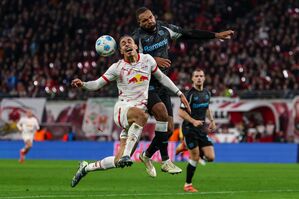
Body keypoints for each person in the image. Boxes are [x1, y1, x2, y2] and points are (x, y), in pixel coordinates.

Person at [70, 35, 190, 187]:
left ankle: (86, 168)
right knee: (143, 115)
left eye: (129, 42)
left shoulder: (147, 60)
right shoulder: (117, 67)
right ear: (120, 50)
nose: (127, 44)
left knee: (118, 161)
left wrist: (179, 93)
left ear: (135, 46)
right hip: (123, 110)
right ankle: (135, 156)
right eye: (123, 44)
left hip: (136, 119)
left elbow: (162, 78)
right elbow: (98, 84)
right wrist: (83, 84)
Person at [132, 7, 234, 176]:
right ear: (139, 23)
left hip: (162, 84)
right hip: (145, 86)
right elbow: (130, 61)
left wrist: (216, 35)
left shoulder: (165, 29)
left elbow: (189, 33)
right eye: (145, 20)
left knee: (170, 129)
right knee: (162, 115)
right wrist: (151, 60)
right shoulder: (137, 38)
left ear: (154, 16)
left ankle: (147, 155)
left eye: (150, 17)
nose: (149, 21)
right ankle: (166, 161)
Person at [178, 69, 216, 192]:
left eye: (201, 76)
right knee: (195, 156)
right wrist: (193, 121)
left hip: (200, 129)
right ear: (192, 79)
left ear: (204, 78)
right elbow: (180, 112)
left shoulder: (207, 93)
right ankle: (188, 185)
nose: (199, 78)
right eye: (196, 76)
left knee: (211, 157)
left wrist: (212, 120)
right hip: (189, 128)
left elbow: (207, 108)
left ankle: (185, 145)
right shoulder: (189, 94)